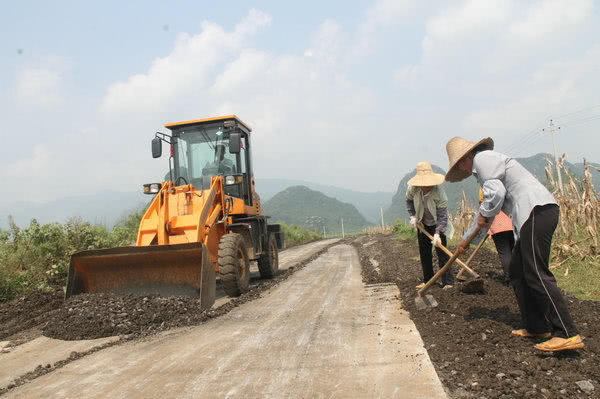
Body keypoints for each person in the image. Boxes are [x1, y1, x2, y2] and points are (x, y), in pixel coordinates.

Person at [444, 136, 583, 352]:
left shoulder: (483, 160)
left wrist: (484, 214)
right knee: (517, 271)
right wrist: (466, 240)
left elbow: (495, 197)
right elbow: (487, 211)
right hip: (531, 215)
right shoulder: (485, 168)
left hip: (537, 209)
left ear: (467, 156)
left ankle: (567, 332)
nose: (462, 169)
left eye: (460, 163)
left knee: (536, 271)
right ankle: (537, 326)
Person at [406, 161, 455, 288]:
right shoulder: (413, 188)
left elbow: (442, 216)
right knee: (424, 253)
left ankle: (448, 282)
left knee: (442, 253)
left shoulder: (439, 193)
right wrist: (412, 215)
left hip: (437, 224)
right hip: (422, 223)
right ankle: (428, 280)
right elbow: (409, 201)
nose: (426, 186)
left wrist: (438, 233)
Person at [479, 187, 514, 284]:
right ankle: (518, 276)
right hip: (509, 222)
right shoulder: (502, 186)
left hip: (497, 223)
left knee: (504, 252)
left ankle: (509, 278)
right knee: (512, 250)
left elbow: (483, 207)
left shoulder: (484, 188)